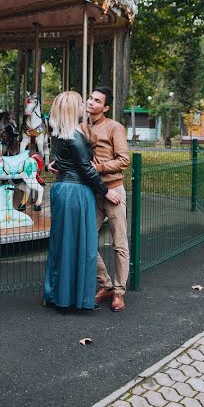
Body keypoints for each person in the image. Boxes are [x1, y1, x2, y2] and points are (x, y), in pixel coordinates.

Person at [43, 91, 122, 311]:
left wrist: (55, 165)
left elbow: (65, 160)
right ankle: (74, 298)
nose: (84, 106)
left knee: (62, 243)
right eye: (80, 104)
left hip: (61, 188)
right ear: (72, 110)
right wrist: (105, 191)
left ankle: (57, 294)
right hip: (76, 191)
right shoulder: (75, 136)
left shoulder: (58, 133)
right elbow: (85, 168)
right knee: (81, 244)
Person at [83, 87, 131, 312]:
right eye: (90, 98)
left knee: (119, 244)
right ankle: (107, 285)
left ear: (106, 107)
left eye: (96, 100)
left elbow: (124, 160)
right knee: (87, 241)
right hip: (94, 191)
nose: (91, 102)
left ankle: (119, 292)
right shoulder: (82, 128)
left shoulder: (114, 127)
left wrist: (100, 167)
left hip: (114, 192)